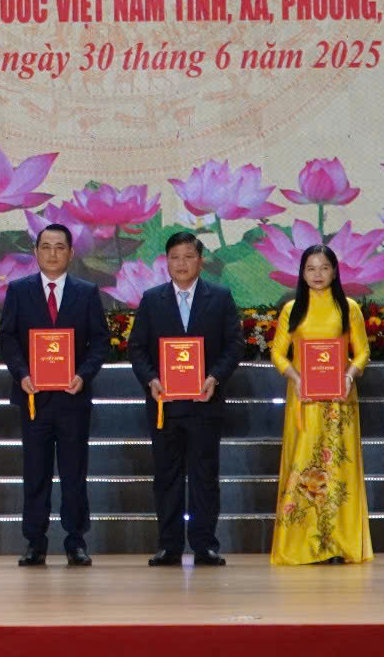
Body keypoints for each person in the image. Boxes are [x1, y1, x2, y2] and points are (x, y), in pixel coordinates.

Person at [127, 230, 243, 567]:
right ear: (167, 262)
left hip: (205, 403)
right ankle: (169, 546)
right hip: (164, 406)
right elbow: (137, 347)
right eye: (175, 258)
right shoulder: (152, 299)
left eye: (188, 257)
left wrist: (215, 377)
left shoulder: (219, 297)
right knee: (167, 477)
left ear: (200, 261)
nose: (181, 264)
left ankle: (205, 545)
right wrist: (151, 379)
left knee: (205, 476)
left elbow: (234, 344)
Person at [0, 222, 107, 566]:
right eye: (46, 247)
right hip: (33, 398)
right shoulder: (19, 291)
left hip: (73, 397)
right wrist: (22, 374)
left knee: (74, 473)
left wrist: (83, 375)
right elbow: (7, 338)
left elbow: (100, 341)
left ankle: (76, 541)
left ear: (71, 253)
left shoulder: (86, 292)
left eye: (60, 247)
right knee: (36, 472)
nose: (52, 254)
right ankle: (35, 542)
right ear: (35, 252)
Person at [268, 244, 371, 566]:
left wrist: (349, 376)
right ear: (302, 273)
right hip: (305, 400)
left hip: (339, 401)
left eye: (324, 268)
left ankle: (337, 544)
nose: (317, 274)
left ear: (335, 271)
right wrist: (296, 377)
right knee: (305, 467)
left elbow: (363, 352)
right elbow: (277, 353)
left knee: (338, 469)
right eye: (311, 268)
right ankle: (304, 544)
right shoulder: (292, 309)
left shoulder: (349, 308)